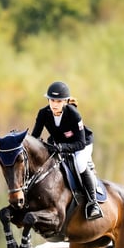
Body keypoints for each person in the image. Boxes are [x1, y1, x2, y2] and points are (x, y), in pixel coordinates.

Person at [31, 81, 102, 220]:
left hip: (82, 144)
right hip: (60, 144)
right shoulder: (43, 113)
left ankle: (93, 203)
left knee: (80, 164)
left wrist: (62, 147)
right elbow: (35, 137)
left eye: (58, 101)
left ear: (64, 102)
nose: (54, 104)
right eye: (52, 100)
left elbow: (80, 143)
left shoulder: (73, 114)